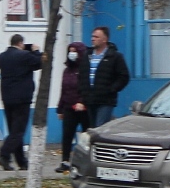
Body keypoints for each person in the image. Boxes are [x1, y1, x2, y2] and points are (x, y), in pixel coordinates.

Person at [0, 34, 42, 171]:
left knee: (14, 130)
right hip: (22, 98)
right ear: (21, 43)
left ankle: (21, 161)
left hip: (7, 98)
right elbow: (40, 62)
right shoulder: (25, 56)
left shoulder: (1, 57)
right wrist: (36, 50)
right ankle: (4, 154)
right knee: (18, 131)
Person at [78, 26, 130, 128]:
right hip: (89, 99)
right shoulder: (87, 55)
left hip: (105, 100)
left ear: (104, 39)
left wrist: (111, 89)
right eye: (92, 36)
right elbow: (81, 75)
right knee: (91, 128)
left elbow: (124, 76)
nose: (93, 39)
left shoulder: (115, 56)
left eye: (96, 37)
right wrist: (82, 92)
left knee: (100, 126)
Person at [55, 41, 89, 173]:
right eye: (70, 51)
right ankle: (65, 161)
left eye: (75, 51)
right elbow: (63, 90)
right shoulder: (67, 71)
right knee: (67, 135)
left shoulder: (85, 70)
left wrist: (82, 102)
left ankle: (87, 162)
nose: (72, 54)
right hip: (69, 107)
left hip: (83, 109)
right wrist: (60, 108)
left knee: (87, 135)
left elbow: (87, 88)